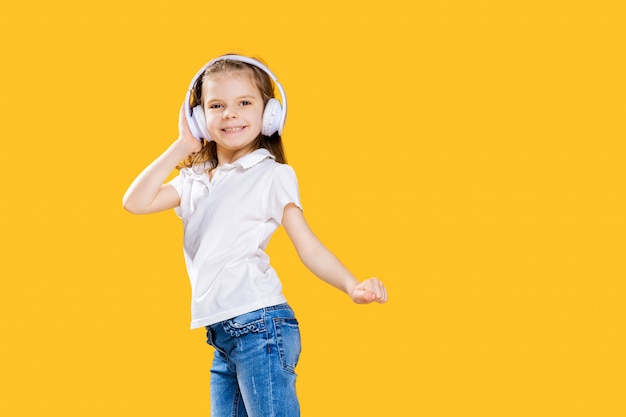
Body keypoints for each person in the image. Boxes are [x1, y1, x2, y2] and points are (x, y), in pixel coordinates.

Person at [122, 54, 388, 417]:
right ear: (199, 117)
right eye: (217, 105)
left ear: (270, 113)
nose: (231, 114)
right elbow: (135, 202)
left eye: (244, 102)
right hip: (222, 334)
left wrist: (351, 284)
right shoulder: (195, 178)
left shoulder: (270, 174)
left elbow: (307, 245)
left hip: (259, 326)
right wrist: (183, 146)